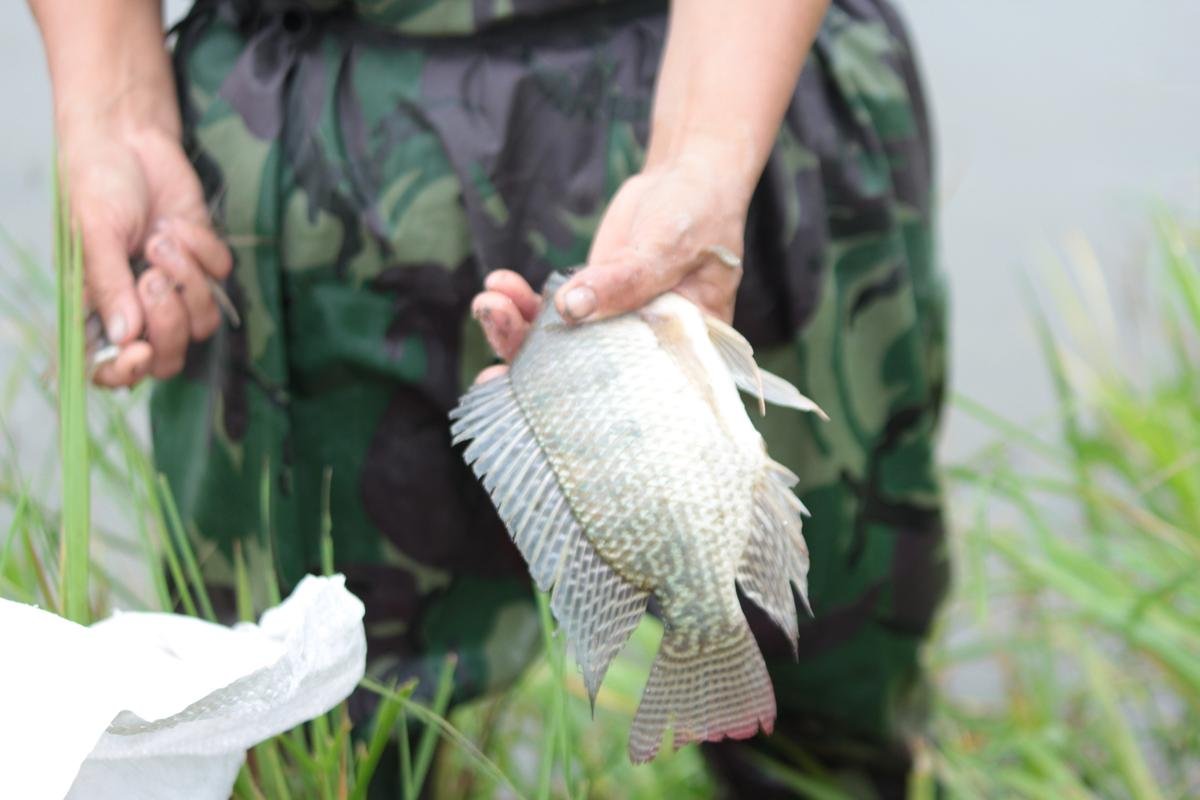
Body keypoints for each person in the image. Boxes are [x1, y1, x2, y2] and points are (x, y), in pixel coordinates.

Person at [30, 0, 949, 795]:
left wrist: (704, 159)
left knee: (832, 698)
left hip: (739, 76)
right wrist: (116, 106)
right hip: (298, 127)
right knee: (312, 715)